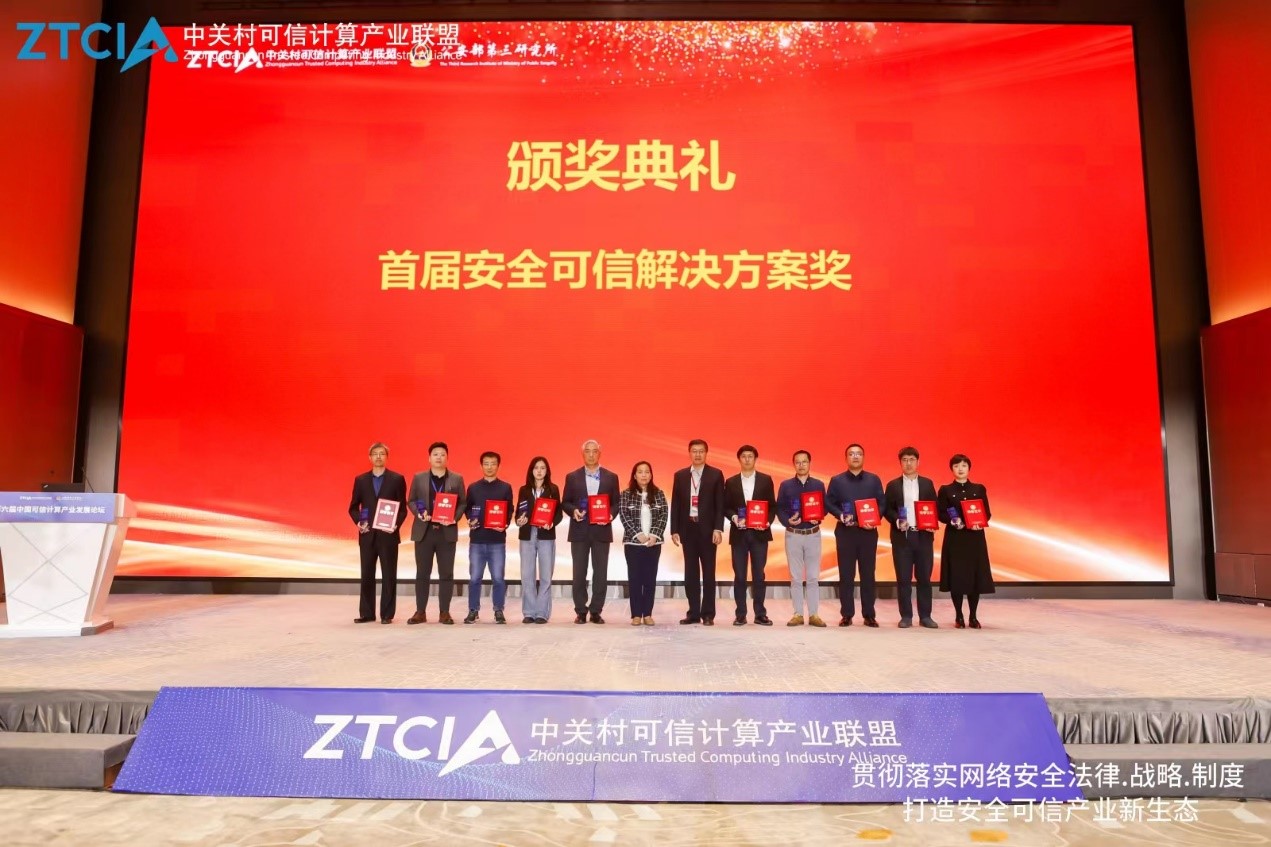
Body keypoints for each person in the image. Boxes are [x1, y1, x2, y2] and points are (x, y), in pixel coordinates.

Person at [561, 439, 622, 624]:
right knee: (579, 573)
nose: (591, 454)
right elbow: (565, 502)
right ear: (583, 454)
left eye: (594, 451)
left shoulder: (611, 477)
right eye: (587, 451)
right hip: (579, 530)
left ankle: (596, 611)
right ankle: (580, 611)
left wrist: (610, 515)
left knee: (600, 573)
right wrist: (573, 511)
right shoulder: (572, 477)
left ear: (599, 453)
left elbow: (616, 503)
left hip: (602, 531)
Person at [826, 443, 886, 628]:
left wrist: (875, 519)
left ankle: (869, 615)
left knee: (868, 574)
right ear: (846, 458)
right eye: (851, 454)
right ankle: (847, 614)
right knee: (846, 575)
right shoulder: (837, 480)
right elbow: (829, 503)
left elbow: (882, 503)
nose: (855, 456)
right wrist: (840, 514)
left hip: (868, 533)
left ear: (863, 457)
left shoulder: (873, 480)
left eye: (859, 453)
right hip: (846, 532)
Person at [406, 442, 467, 625]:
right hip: (424, 531)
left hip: (446, 532)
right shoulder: (419, 477)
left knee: (446, 573)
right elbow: (411, 501)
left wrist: (454, 518)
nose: (439, 457)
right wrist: (419, 513)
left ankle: (444, 612)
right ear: (429, 458)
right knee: (422, 573)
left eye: (442, 454)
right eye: (435, 454)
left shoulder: (456, 479)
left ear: (447, 457)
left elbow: (463, 503)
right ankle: (420, 612)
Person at [347, 442, 407, 624]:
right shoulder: (361, 480)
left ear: (387, 457)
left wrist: (395, 525)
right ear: (370, 457)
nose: (378, 457)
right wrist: (359, 521)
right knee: (366, 574)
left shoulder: (397, 479)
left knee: (389, 575)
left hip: (388, 535)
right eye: (375, 454)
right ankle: (367, 613)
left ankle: (387, 614)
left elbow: (402, 509)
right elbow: (353, 507)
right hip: (367, 534)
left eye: (382, 453)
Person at [670, 439, 726, 625]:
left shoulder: (716, 474)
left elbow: (720, 504)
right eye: (694, 451)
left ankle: (708, 614)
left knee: (709, 573)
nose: (698, 454)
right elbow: (676, 504)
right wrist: (674, 529)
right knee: (690, 573)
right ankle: (693, 612)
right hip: (688, 529)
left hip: (708, 530)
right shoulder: (680, 475)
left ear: (706, 453)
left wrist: (718, 528)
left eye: (701, 451)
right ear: (689, 453)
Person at [883, 446, 939, 629]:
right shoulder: (893, 485)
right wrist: (896, 520)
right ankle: (906, 616)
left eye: (912, 460)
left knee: (924, 579)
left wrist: (931, 523)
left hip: (923, 537)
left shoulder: (927, 484)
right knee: (903, 579)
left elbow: (934, 507)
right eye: (905, 460)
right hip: (902, 537)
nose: (908, 463)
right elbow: (887, 509)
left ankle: (926, 616)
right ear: (900, 463)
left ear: (918, 462)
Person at [937, 453, 996, 628]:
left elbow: (987, 513)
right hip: (955, 538)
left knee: (974, 577)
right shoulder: (945, 490)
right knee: (957, 576)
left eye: (963, 465)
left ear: (969, 468)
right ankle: (959, 616)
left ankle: (973, 616)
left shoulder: (979, 488)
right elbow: (941, 514)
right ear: (951, 469)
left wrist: (980, 522)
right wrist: (952, 521)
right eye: (956, 466)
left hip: (975, 538)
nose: (960, 469)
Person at [722, 444, 778, 625]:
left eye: (750, 456)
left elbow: (772, 506)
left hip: (759, 534)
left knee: (759, 575)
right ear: (739, 459)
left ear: (755, 459)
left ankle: (760, 613)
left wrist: (767, 522)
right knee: (739, 575)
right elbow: (726, 507)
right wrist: (734, 518)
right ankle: (740, 614)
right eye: (744, 456)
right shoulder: (731, 482)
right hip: (739, 534)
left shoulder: (765, 480)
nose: (747, 459)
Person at [775, 450, 827, 627]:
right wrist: (786, 521)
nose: (801, 465)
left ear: (809, 463)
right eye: (798, 462)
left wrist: (819, 517)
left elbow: (824, 506)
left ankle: (814, 614)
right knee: (795, 577)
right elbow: (779, 508)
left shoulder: (819, 484)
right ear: (794, 464)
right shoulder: (786, 485)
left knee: (813, 577)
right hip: (793, 535)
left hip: (813, 534)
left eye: (804, 462)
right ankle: (797, 613)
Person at [464, 451, 515, 624]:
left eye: (493, 463)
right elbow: (468, 508)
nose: (490, 467)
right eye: (486, 463)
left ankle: (498, 610)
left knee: (498, 578)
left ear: (498, 466)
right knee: (474, 578)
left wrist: (505, 523)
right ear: (481, 466)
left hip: (497, 541)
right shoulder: (473, 487)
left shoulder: (505, 487)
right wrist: (470, 519)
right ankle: (473, 610)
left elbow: (509, 510)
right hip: (477, 540)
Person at [619, 460, 669, 626]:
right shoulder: (626, 494)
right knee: (634, 579)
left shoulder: (659, 493)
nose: (644, 475)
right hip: (633, 545)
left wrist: (654, 535)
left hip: (653, 544)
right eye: (640, 472)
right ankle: (636, 614)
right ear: (634, 475)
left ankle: (647, 613)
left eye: (647, 472)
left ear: (651, 475)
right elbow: (624, 515)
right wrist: (638, 535)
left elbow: (664, 515)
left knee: (650, 579)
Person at [515, 456, 563, 624]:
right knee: (527, 574)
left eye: (543, 468)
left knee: (545, 575)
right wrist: (519, 520)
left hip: (546, 534)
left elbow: (558, 513)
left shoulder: (553, 489)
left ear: (547, 471)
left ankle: (542, 612)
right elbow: (518, 513)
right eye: (536, 468)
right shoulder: (524, 490)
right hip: (527, 534)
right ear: (531, 471)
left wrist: (552, 523)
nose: (539, 471)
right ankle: (529, 612)